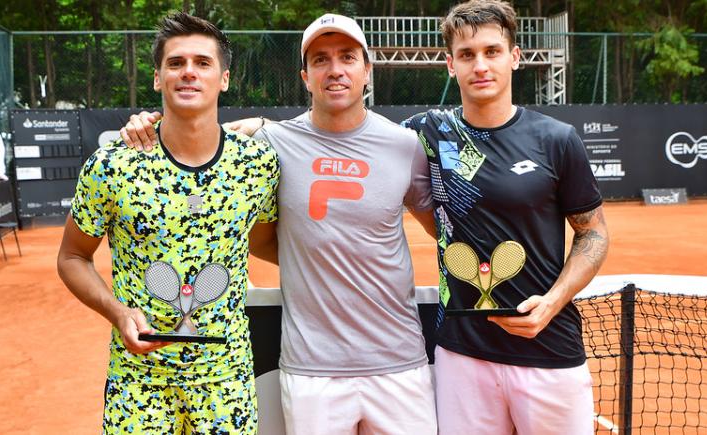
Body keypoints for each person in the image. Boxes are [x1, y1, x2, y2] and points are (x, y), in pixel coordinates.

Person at [120, 13, 437, 435]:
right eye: (321, 60)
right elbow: (192, 141)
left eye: (347, 57)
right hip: (311, 372)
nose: (335, 69)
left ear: (367, 71)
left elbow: (447, 229)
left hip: (400, 364)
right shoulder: (268, 145)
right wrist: (143, 125)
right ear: (305, 76)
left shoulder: (405, 145)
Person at [57, 12, 278, 434]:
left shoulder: (257, 165)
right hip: (138, 384)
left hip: (225, 383)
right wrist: (119, 314)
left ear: (224, 78)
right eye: (175, 63)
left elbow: (264, 242)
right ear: (158, 78)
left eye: (202, 62)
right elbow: (71, 256)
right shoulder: (112, 165)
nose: (188, 73)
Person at [401, 1, 609, 434]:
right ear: (449, 65)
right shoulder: (427, 131)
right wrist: (262, 127)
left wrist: (550, 305)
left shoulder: (557, 139)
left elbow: (593, 235)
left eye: (492, 51)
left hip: (549, 349)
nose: (480, 65)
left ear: (514, 57)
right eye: (467, 54)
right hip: (462, 354)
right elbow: (350, 135)